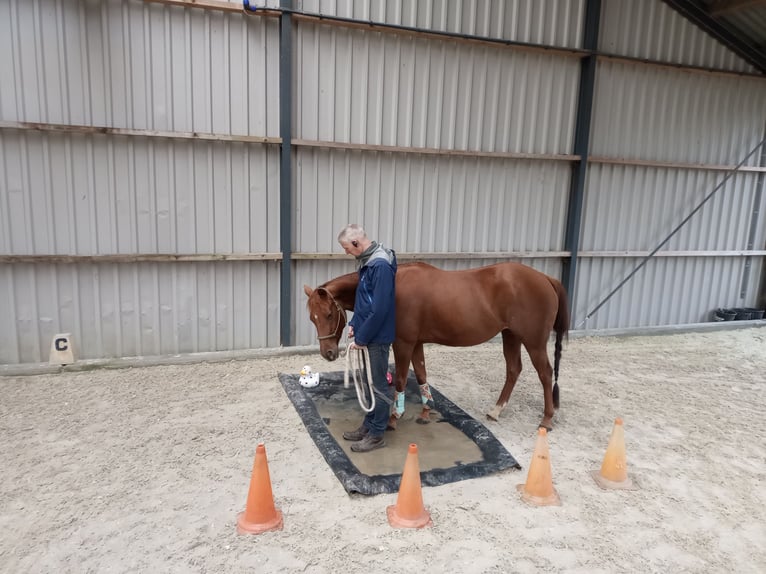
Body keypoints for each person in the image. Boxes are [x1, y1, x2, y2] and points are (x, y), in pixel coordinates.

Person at [337, 224, 397, 452]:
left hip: (377, 337)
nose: (346, 252)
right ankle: (369, 425)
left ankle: (377, 434)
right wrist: (354, 324)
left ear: (355, 243)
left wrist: (362, 336)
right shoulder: (367, 263)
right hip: (369, 333)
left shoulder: (379, 265)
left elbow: (380, 309)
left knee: (379, 385)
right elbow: (365, 302)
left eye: (346, 248)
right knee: (369, 382)